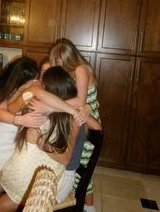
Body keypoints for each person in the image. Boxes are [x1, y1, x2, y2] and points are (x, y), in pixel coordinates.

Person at [0, 58, 87, 212]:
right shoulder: (34, 97)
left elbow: (65, 157)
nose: (38, 81)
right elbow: (6, 110)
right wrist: (30, 95)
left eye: (43, 78)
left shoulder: (68, 116)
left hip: (47, 179)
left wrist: (39, 138)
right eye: (40, 75)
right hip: (20, 166)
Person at [49, 38, 101, 212]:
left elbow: (80, 101)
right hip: (82, 121)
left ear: (69, 58)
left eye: (60, 63)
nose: (59, 67)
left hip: (88, 125)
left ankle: (86, 207)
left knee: (81, 170)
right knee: (83, 170)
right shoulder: (77, 70)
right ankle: (88, 208)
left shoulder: (80, 69)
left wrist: (51, 103)